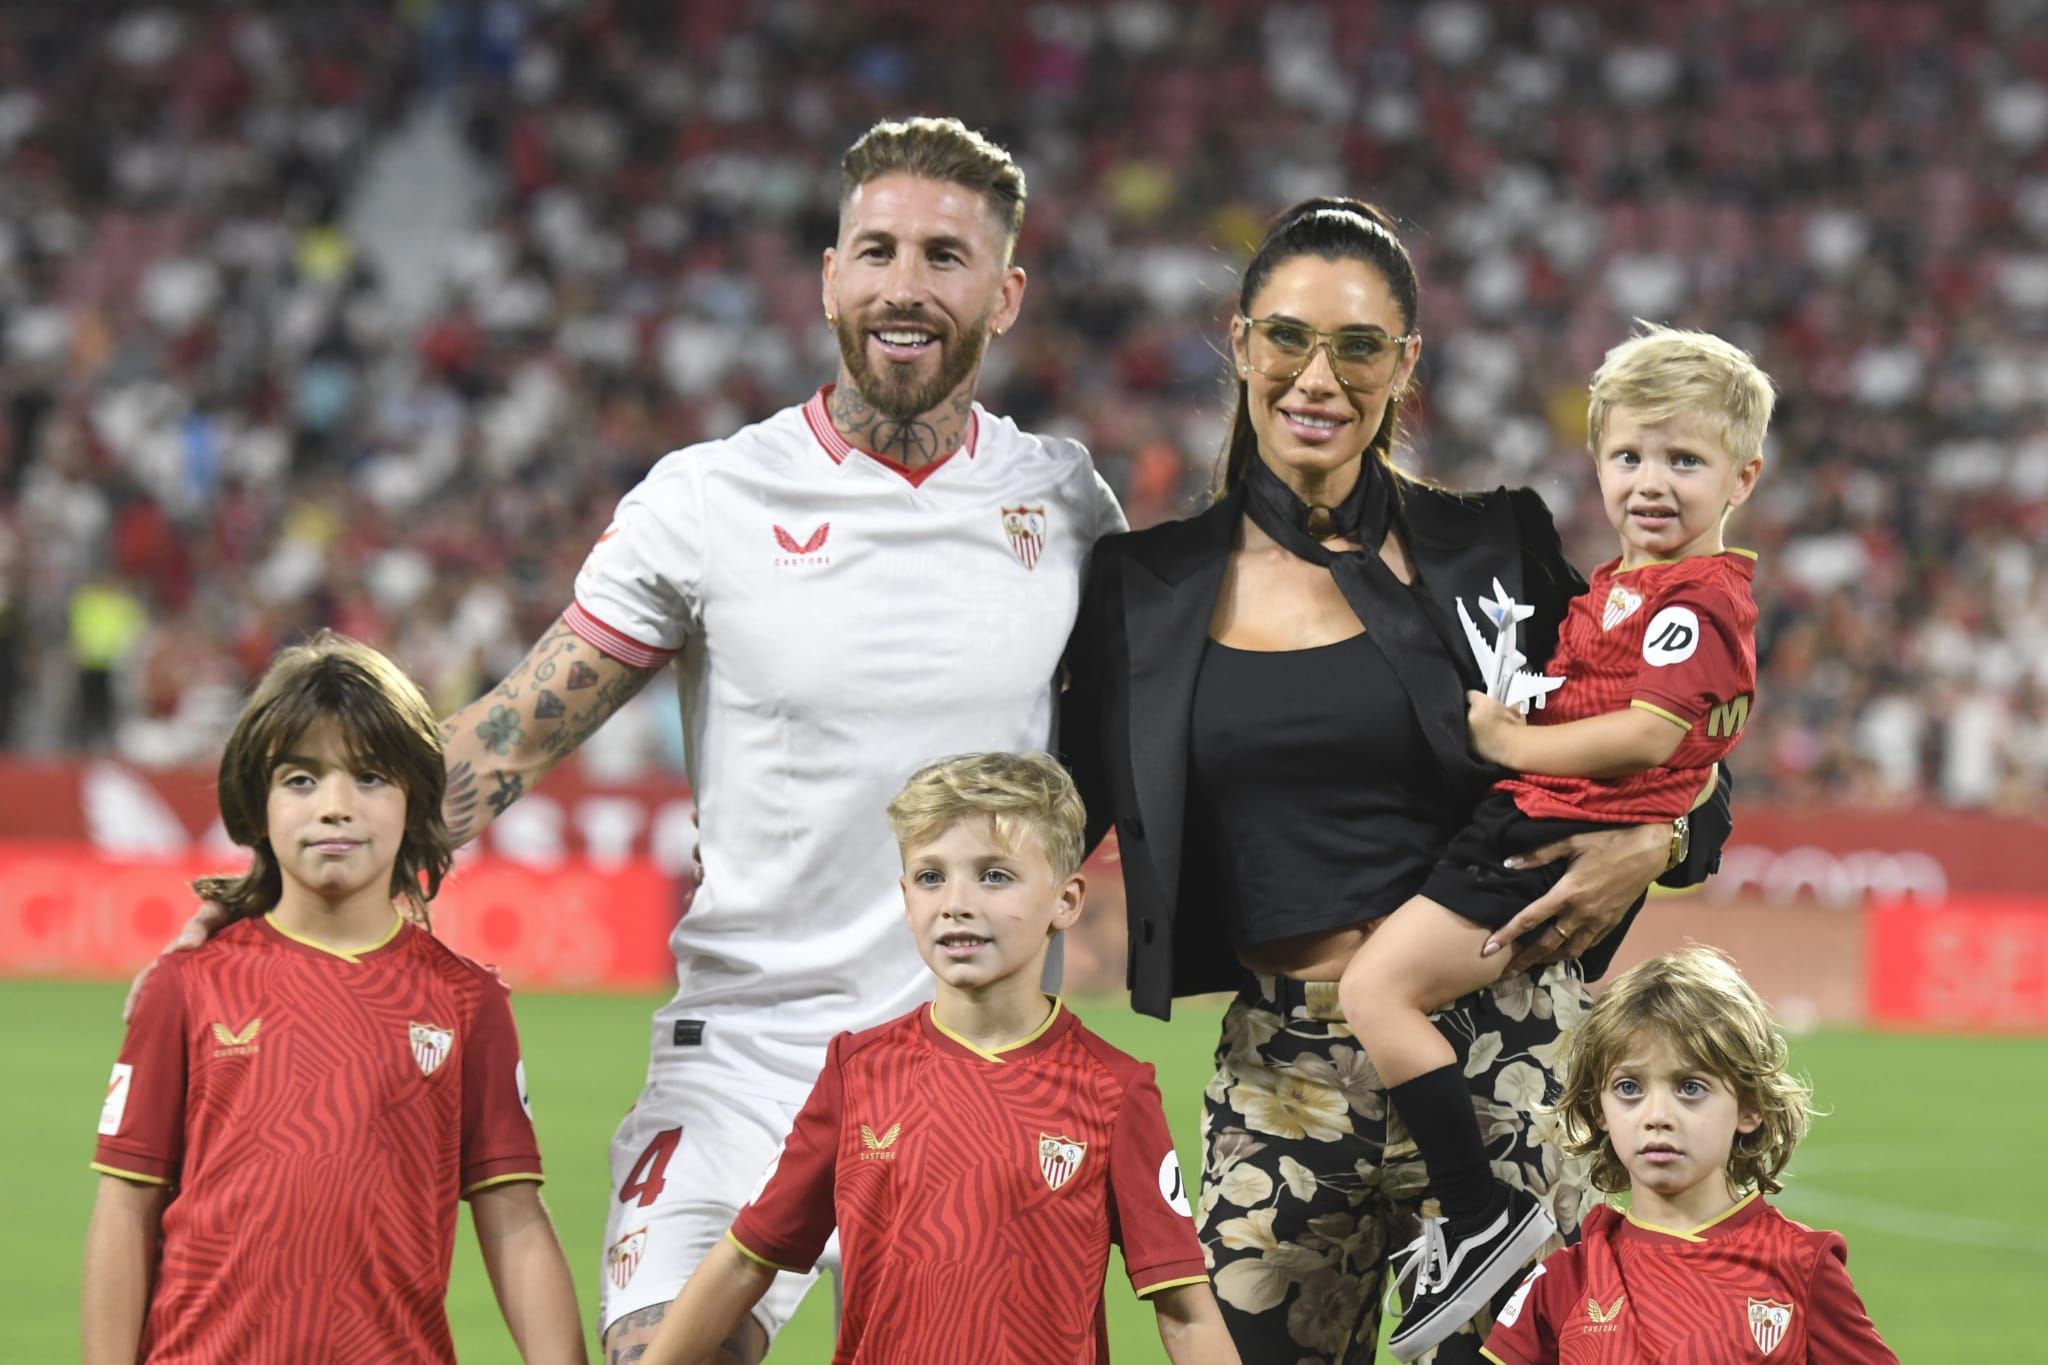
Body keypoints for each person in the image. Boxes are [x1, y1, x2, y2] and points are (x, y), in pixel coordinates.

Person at [137, 115, 1126, 1363]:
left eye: (945, 256)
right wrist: (269, 890)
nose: (904, 286)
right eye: (875, 250)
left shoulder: (1065, 503)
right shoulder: (709, 500)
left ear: (1005, 292)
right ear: (828, 276)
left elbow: (1144, 741)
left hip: (970, 1051)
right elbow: (506, 739)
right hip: (747, 1052)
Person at [1057, 197, 1734, 1364]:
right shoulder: (1142, 586)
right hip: (1280, 1082)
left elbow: (1680, 759)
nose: (1316, 376)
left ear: (1403, 364)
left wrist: (1656, 844)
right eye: (1286, 337)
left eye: (1358, 346)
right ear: (1238, 342)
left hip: (1503, 1058)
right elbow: (1049, 824)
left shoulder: (1495, 548)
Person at [1335, 324, 1775, 1359]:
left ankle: (1477, 1216)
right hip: (1537, 823)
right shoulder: (1619, 587)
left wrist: (1508, 735)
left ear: (1741, 475)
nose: (1648, 482)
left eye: (1683, 459)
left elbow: (1654, 739)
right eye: (1627, 457)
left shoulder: (1685, 599)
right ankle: (1478, 1218)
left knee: (1375, 990)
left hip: (1545, 830)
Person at [638, 752, 1237, 1364]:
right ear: (905, 898)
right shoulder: (858, 1070)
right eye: (930, 877)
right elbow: (745, 1259)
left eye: (994, 875)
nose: (956, 902)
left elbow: (1185, 1311)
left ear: (1066, 899)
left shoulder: (1114, 1088)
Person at [82, 633, 583, 1364]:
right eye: (301, 779)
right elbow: (125, 1210)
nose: (336, 806)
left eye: (372, 776)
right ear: (256, 803)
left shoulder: (467, 1000)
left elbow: (514, 1220)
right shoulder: (185, 985)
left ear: (415, 803)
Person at [1481, 947, 1896, 1363]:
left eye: (1690, 1087)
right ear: (1598, 1109)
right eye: (1629, 1088)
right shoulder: (1565, 1281)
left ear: (1750, 1107)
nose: (1657, 1117)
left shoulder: (1801, 1265)